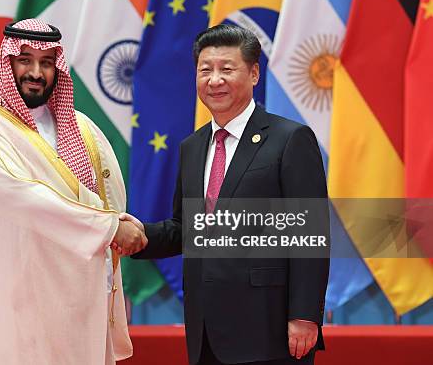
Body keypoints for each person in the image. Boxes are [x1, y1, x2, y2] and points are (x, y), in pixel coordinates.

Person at [0, 18, 146, 365]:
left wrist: (121, 222)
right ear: (7, 63)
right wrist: (110, 227)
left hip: (79, 303)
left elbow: (109, 194)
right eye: (25, 60)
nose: (36, 72)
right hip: (13, 306)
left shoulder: (84, 128)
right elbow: (20, 195)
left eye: (47, 62)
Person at [126, 24, 329, 365]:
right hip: (206, 329)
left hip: (271, 329)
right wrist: (136, 234)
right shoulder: (193, 147)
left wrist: (305, 315)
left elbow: (310, 233)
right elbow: (185, 229)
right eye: (205, 70)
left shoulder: (289, 139)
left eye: (227, 69)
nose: (214, 80)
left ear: (253, 74)